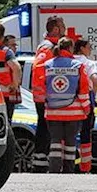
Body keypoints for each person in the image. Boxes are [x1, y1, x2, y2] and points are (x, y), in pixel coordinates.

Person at [42, 37, 92, 173]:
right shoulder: (77, 65)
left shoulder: (47, 65)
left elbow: (42, 87)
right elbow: (83, 90)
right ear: (70, 48)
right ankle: (68, 172)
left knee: (55, 143)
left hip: (53, 113)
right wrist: (87, 108)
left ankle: (54, 170)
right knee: (70, 144)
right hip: (73, 113)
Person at [29, 15, 66, 172]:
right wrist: (48, 90)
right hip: (44, 96)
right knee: (45, 129)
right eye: (62, 26)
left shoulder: (51, 45)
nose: (65, 28)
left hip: (46, 95)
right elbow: (39, 70)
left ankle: (43, 160)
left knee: (47, 129)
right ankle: (40, 162)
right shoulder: (47, 47)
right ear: (56, 29)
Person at [73, 37, 97, 173]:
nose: (90, 49)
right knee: (85, 134)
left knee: (68, 135)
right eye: (89, 46)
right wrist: (92, 95)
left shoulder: (69, 61)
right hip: (85, 103)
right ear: (82, 48)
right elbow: (95, 80)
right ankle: (85, 167)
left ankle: (66, 164)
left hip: (69, 103)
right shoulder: (88, 63)